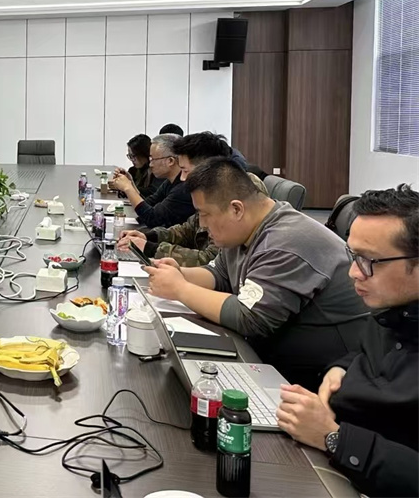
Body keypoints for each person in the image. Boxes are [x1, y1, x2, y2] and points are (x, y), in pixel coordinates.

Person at [144, 157, 369, 389]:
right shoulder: (243, 230)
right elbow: (220, 275)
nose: (202, 224)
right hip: (270, 359)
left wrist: (180, 289)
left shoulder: (286, 241)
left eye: (205, 214)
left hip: (322, 381)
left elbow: (250, 317)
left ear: (236, 209)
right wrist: (179, 274)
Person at [276, 185, 417, 498]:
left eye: (369, 260)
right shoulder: (391, 309)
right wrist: (338, 369)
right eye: (353, 256)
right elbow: (363, 352)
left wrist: (333, 438)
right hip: (332, 462)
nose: (354, 272)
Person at [117, 132, 267, 267]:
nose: (182, 178)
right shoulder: (208, 190)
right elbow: (189, 229)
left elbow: (211, 260)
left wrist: (150, 248)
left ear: (208, 167)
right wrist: (149, 236)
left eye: (185, 170)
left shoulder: (235, 192)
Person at [109, 133, 194, 229]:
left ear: (170, 161)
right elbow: (148, 204)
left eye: (153, 159)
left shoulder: (183, 188)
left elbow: (153, 219)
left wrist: (128, 188)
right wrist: (131, 184)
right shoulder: (169, 182)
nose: (150, 164)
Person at [125, 134, 164, 198]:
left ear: (144, 154)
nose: (132, 160)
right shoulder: (133, 171)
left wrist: (127, 187)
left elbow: (151, 193)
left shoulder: (157, 171)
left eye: (133, 156)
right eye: (130, 156)